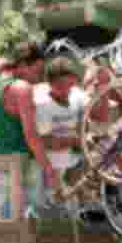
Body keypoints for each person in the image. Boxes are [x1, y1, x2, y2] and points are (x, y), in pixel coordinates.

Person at [0, 41, 50, 219]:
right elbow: (31, 136)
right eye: (37, 71)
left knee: (6, 218)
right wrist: (49, 169)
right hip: (26, 162)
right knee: (31, 221)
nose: (39, 77)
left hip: (1, 159)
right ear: (22, 65)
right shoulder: (22, 89)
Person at [33, 57, 87, 218]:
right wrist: (74, 140)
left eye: (70, 85)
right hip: (52, 173)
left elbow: (87, 123)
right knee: (52, 216)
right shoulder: (43, 106)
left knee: (75, 216)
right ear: (50, 84)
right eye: (61, 86)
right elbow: (46, 142)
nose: (66, 90)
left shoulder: (77, 96)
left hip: (75, 166)